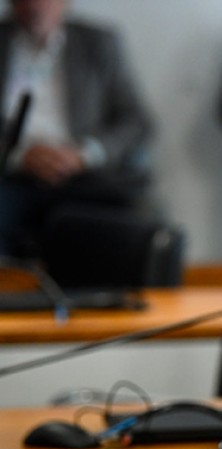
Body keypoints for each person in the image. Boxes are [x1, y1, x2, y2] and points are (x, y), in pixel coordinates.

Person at [0, 0, 154, 257]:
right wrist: (20, 156)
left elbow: (136, 122)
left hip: (85, 176)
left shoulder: (98, 42)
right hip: (12, 175)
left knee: (129, 226)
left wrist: (83, 154)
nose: (35, 5)